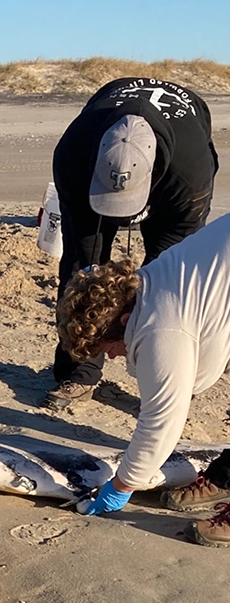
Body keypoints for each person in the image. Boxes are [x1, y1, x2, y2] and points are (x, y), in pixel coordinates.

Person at [57, 213, 230, 546]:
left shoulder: (161, 328)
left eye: (107, 347)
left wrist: (122, 485)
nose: (109, 357)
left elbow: (162, 421)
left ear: (123, 320)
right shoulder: (152, 281)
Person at [47, 77, 218, 410]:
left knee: (172, 287)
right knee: (81, 267)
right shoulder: (72, 154)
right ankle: (78, 371)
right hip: (88, 169)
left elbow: (181, 274)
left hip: (177, 172)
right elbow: (83, 262)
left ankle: (171, 376)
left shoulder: (190, 171)